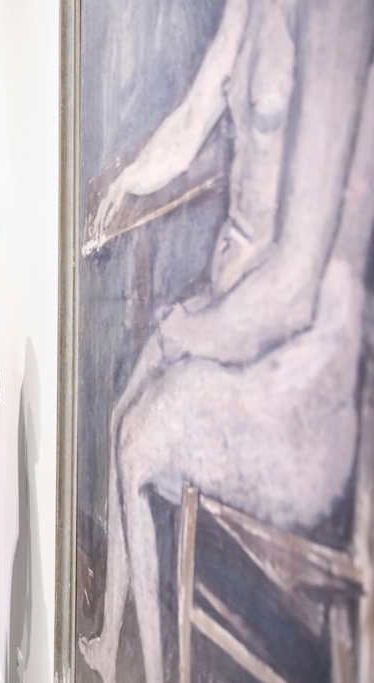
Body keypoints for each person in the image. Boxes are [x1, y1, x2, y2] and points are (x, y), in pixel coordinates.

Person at [77, 2, 374, 682]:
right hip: (238, 320)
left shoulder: (334, 17)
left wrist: (185, 329)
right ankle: (113, 642)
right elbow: (193, 117)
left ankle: (154, 671)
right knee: (121, 416)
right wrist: (124, 185)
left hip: (297, 363)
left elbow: (295, 283)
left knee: (137, 441)